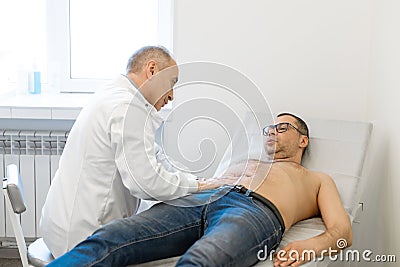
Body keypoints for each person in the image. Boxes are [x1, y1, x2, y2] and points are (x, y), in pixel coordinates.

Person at [46, 113, 352, 267]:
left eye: (282, 127)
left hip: (255, 212)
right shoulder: (248, 161)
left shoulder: (316, 179)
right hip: (204, 197)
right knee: (112, 236)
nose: (272, 131)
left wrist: (310, 246)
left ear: (303, 140)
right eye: (268, 129)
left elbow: (342, 230)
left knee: (200, 262)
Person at [40, 46, 232, 258]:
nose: (172, 96)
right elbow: (145, 182)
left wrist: (198, 181)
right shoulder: (127, 107)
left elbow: (155, 157)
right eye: (172, 83)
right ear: (152, 70)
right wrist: (198, 186)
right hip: (81, 237)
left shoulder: (115, 94)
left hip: (59, 224)